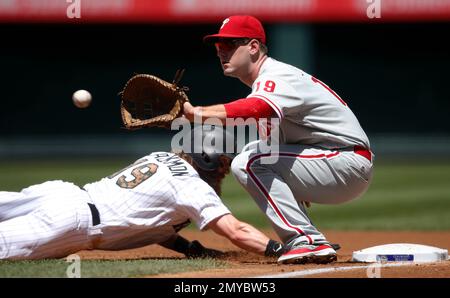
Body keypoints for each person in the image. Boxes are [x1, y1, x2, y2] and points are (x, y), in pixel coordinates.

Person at [183, 15, 373, 264]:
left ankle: (304, 240)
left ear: (253, 47)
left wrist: (197, 113)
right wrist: (293, 178)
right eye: (219, 47)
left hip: (345, 160)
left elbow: (256, 108)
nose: (221, 52)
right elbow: (273, 141)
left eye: (229, 44)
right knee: (258, 151)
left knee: (248, 162)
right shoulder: (266, 82)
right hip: (334, 160)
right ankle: (311, 239)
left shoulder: (277, 76)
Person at [0, 127, 285, 260]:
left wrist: (189, 249)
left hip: (61, 193)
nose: (225, 169)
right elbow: (234, 230)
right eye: (223, 161)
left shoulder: (160, 156)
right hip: (71, 223)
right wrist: (279, 249)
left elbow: (151, 219)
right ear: (209, 159)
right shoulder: (192, 185)